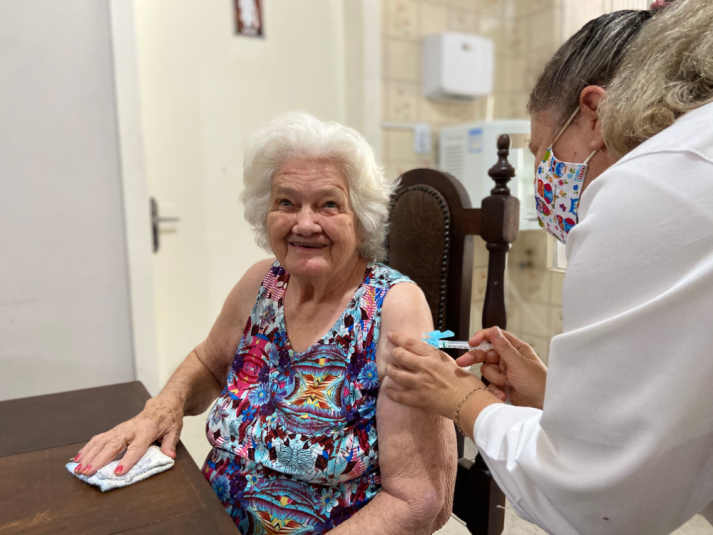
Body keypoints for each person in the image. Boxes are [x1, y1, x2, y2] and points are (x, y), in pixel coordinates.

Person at [385, 1, 713, 534]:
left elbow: (601, 501)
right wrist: (556, 393)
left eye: (543, 151)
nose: (544, 177)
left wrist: (463, 400)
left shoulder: (653, 183)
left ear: (594, 113)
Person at [73, 113, 456, 534]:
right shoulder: (262, 282)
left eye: (328, 204)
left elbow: (419, 498)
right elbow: (209, 362)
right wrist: (162, 407)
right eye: (286, 202)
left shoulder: (394, 306)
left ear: (361, 218)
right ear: (265, 212)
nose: (304, 223)